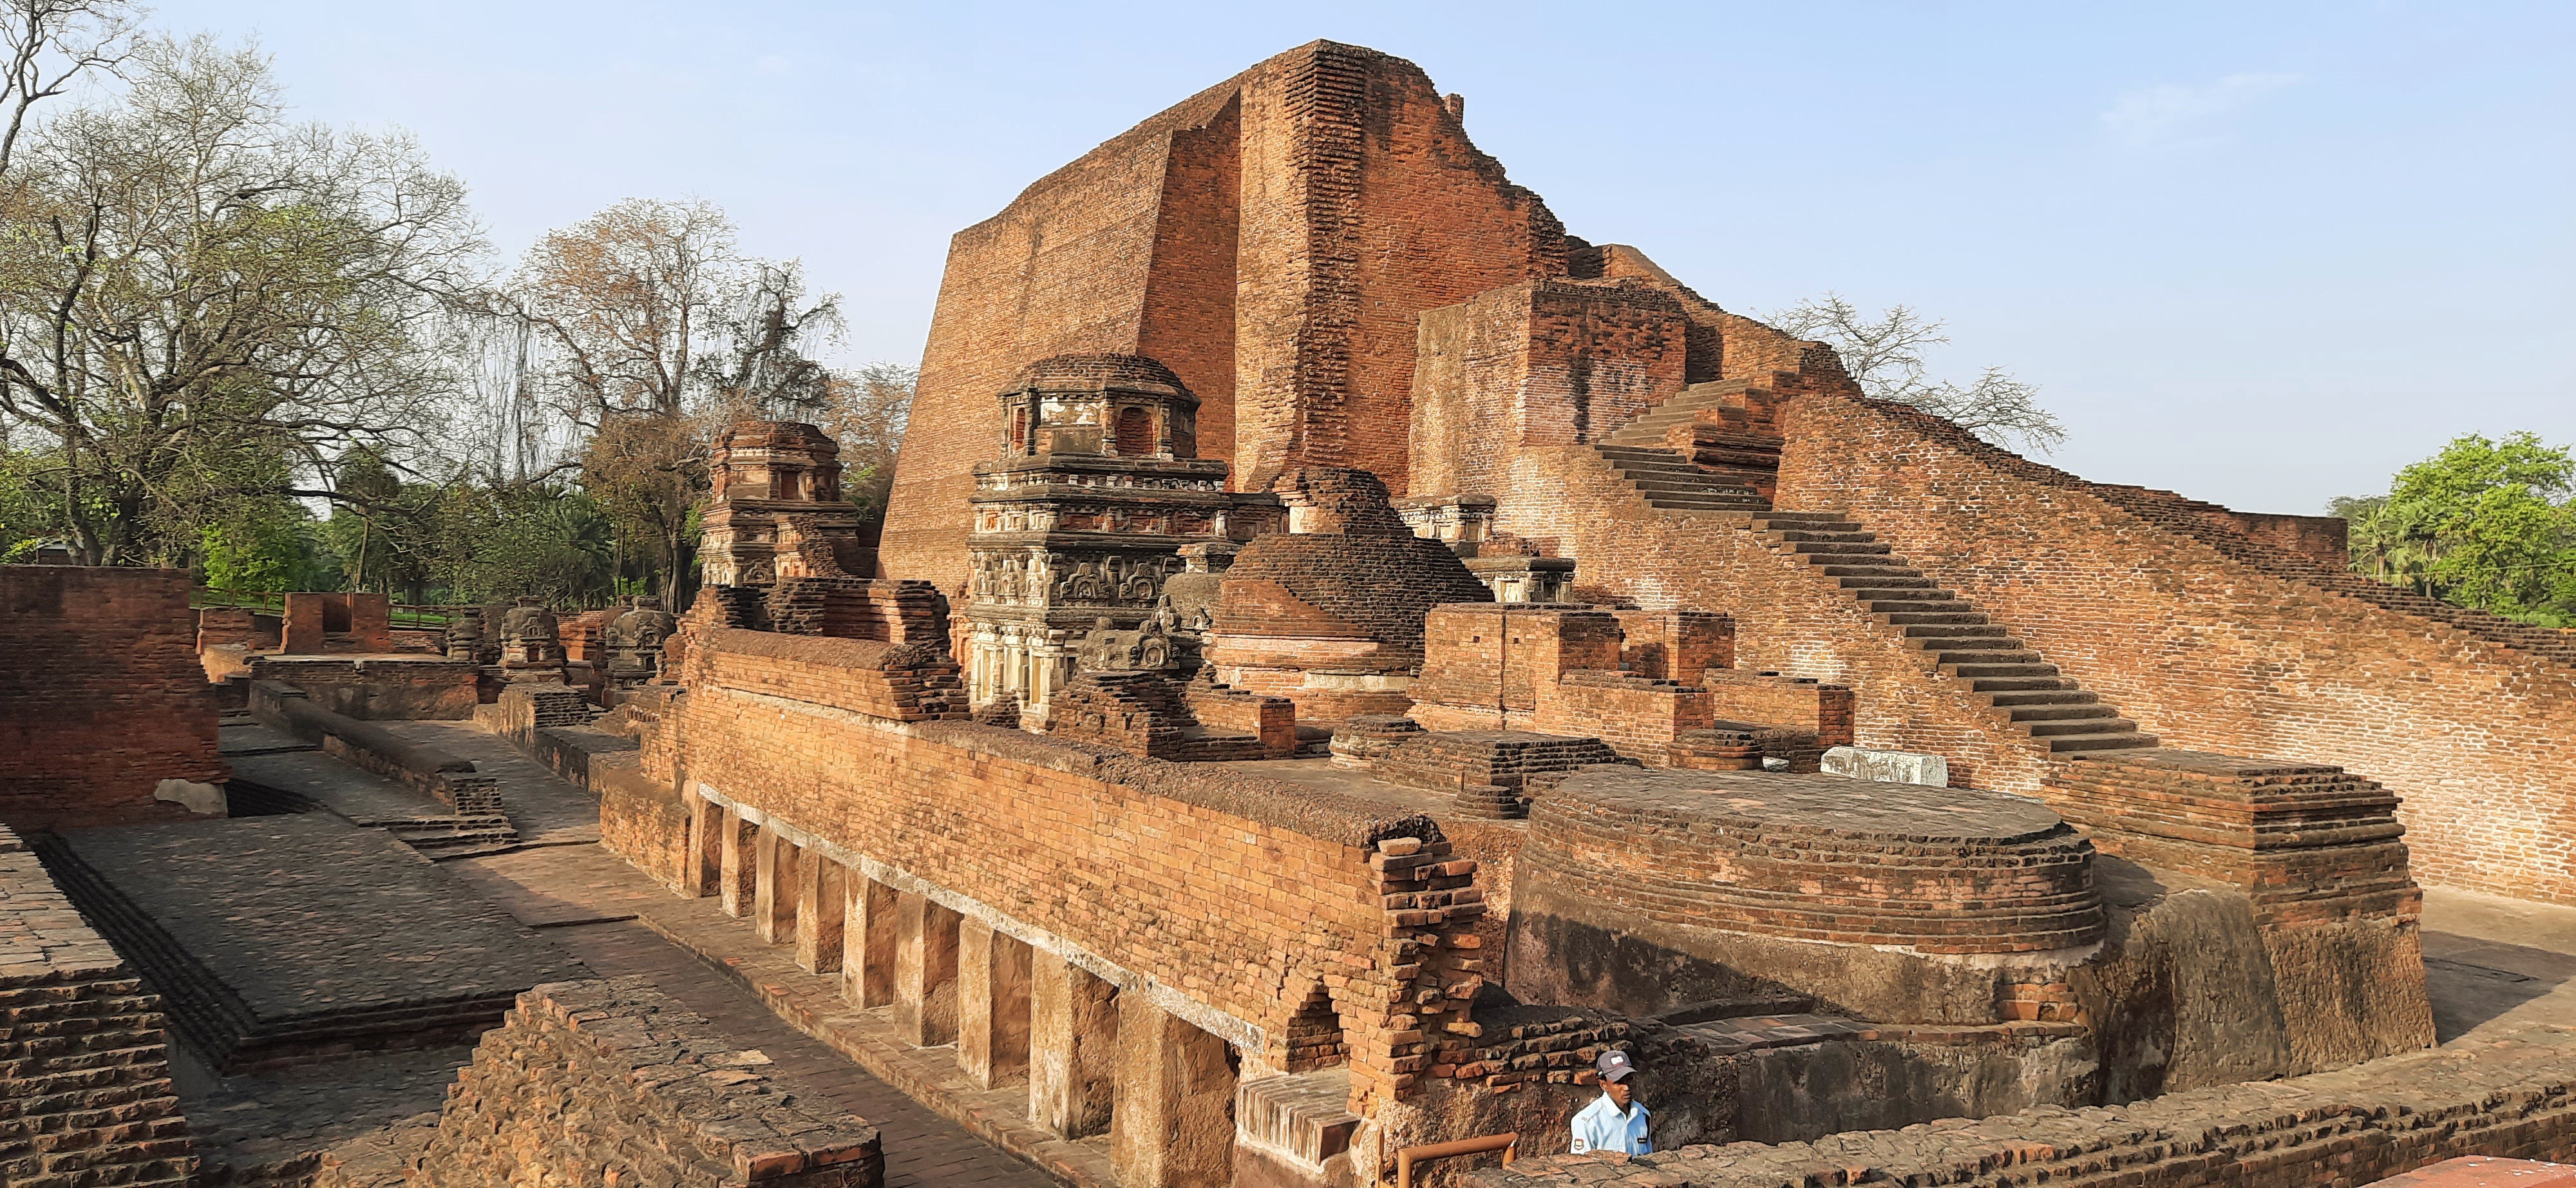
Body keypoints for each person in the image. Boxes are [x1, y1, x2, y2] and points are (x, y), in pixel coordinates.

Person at [1569, 1049, 1651, 1156]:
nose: (1626, 1087)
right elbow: (1581, 1167)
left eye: (1630, 1079)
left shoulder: (1643, 1116)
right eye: (1619, 1082)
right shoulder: (1587, 1123)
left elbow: (1649, 1158)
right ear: (1604, 1085)